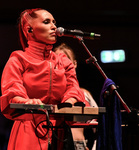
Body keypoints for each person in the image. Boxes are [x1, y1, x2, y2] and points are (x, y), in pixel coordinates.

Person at [0, 8, 90, 150]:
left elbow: (73, 87)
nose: (54, 27)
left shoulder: (63, 61)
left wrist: (70, 101)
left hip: (60, 131)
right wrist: (27, 101)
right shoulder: (18, 59)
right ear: (29, 30)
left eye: (54, 22)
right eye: (47, 22)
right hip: (29, 129)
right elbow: (12, 91)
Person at [54, 43, 98, 150]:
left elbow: (98, 124)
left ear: (74, 64)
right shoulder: (50, 94)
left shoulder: (84, 94)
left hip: (79, 145)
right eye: (57, 60)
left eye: (66, 59)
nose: (62, 63)